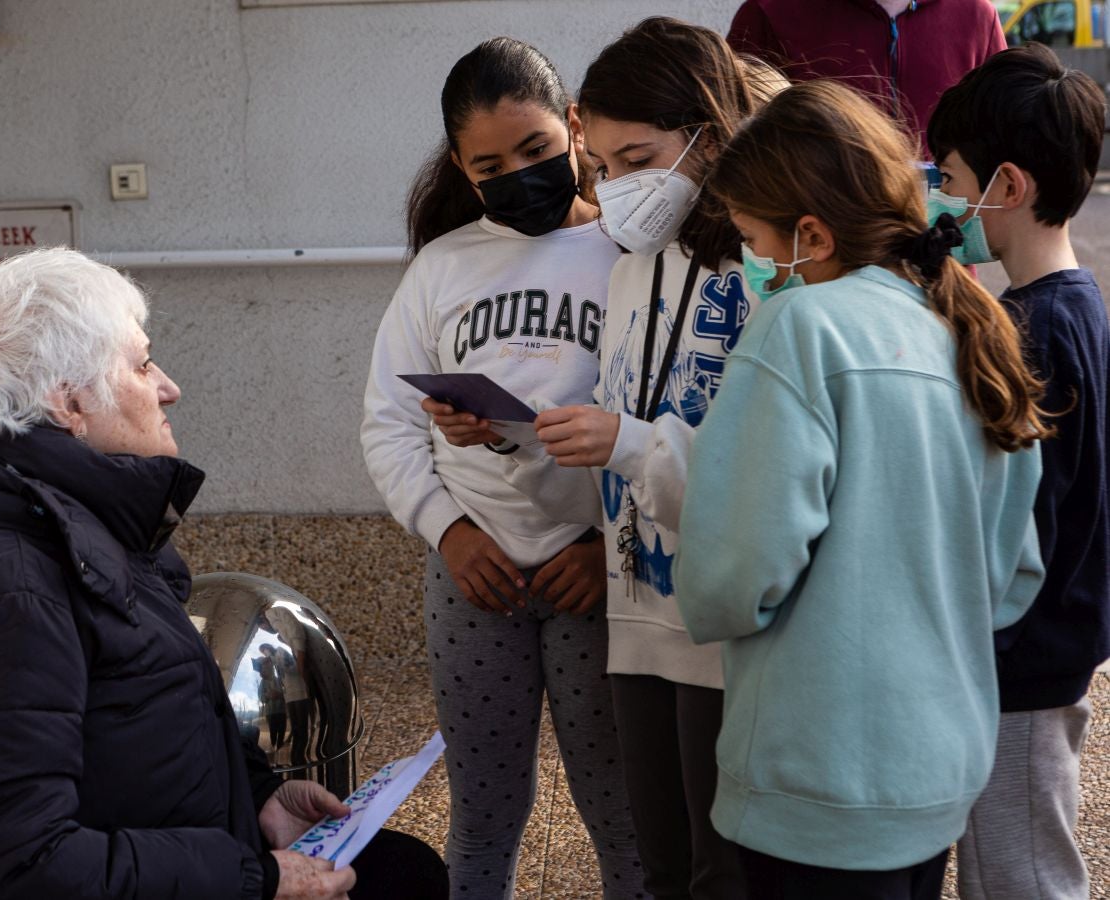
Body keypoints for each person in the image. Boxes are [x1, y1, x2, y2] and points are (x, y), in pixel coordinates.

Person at [0, 249, 447, 900]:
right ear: (69, 402)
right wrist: (254, 880)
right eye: (142, 363)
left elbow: (127, 720)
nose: (168, 387)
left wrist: (259, 800)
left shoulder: (52, 526)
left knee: (399, 870)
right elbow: (25, 867)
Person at [675, 79, 1048, 899]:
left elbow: (733, 575)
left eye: (752, 238)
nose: (752, 262)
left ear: (810, 234)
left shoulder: (798, 328)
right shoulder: (967, 330)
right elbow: (1012, 578)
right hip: (937, 769)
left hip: (816, 777)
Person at [426, 18, 773, 898]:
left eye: (638, 160)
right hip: (637, 618)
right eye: (607, 165)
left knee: (721, 870)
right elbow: (621, 431)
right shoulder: (628, 269)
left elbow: (763, 472)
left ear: (709, 135)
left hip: (722, 629)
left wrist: (623, 442)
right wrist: (511, 437)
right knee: (661, 862)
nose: (617, 188)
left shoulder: (764, 276)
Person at [360, 37, 645, 900]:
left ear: (573, 127)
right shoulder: (442, 266)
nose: (518, 176)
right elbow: (388, 425)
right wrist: (447, 532)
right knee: (482, 815)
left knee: (624, 816)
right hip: (473, 577)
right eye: (491, 166)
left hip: (599, 576)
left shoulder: (633, 254)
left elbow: (667, 425)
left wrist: (607, 545)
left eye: (535, 150)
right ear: (461, 166)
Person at [927, 43, 1109, 900]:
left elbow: (1021, 522)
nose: (942, 199)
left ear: (1007, 184)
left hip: (1021, 669)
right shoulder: (1078, 303)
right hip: (1046, 654)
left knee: (1023, 878)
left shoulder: (1030, 332)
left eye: (950, 178)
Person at [726, 0, 1005, 149]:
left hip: (942, 234)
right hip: (814, 232)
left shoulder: (977, 17)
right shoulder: (770, 12)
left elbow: (1002, 138)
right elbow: (731, 143)